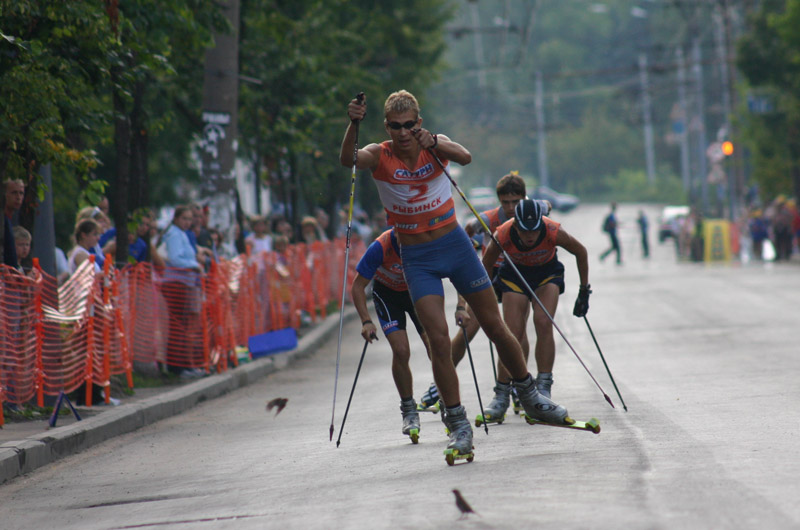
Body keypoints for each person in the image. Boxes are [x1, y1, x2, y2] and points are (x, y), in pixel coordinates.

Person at [340, 90, 568, 461]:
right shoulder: (380, 154)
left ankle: (529, 395)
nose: (403, 132)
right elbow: (348, 158)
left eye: (410, 125)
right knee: (439, 340)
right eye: (396, 126)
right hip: (417, 257)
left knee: (495, 325)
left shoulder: (434, 144)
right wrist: (353, 123)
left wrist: (436, 143)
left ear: (419, 122)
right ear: (387, 127)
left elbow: (465, 156)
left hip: (456, 247)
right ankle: (459, 426)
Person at [417, 172, 536, 413]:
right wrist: (469, 243)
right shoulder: (488, 219)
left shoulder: (530, 212)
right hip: (489, 278)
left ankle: (516, 386)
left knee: (515, 332)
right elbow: (467, 230)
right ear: (499, 201)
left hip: (517, 278)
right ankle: (439, 385)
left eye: (516, 201)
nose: (511, 208)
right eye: (505, 202)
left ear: (524, 198)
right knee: (466, 332)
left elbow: (546, 206)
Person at [477, 199, 590, 424]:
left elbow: (581, 252)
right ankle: (501, 396)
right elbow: (486, 265)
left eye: (535, 230)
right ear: (515, 225)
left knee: (543, 322)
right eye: (524, 231)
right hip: (515, 276)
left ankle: (544, 388)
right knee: (510, 333)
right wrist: (485, 296)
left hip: (547, 275)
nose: (530, 236)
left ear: (541, 223)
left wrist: (584, 290)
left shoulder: (552, 230)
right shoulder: (504, 233)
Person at [351, 227, 433, 443]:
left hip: (416, 292)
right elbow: (358, 286)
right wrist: (366, 322)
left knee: (434, 346)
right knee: (401, 350)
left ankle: (447, 401)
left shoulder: (422, 240)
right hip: (387, 295)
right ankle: (408, 409)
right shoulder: (380, 246)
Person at [161, 205, 205, 379]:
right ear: (176, 218)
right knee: (178, 326)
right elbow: (175, 258)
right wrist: (195, 265)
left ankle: (185, 364)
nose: (187, 222)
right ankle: (176, 366)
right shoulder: (173, 234)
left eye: (189, 219)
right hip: (175, 284)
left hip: (184, 284)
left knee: (184, 325)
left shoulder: (182, 234)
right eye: (184, 219)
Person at [3, 179, 25, 268]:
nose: (18, 197)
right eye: (14, 193)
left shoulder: (7, 220)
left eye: (21, 193)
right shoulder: (3, 221)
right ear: (5, 194)